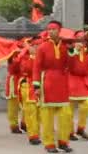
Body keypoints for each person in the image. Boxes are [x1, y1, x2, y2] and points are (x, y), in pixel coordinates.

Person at [33, 21, 73, 153]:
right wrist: (37, 86)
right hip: (47, 81)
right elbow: (37, 67)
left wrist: (72, 50)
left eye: (54, 29)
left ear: (59, 30)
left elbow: (71, 65)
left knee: (65, 115)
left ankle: (63, 141)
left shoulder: (65, 47)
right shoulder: (42, 47)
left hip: (62, 82)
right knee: (47, 116)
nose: (51, 32)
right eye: (49, 29)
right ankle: (49, 143)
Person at [15, 38, 42, 145]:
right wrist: (32, 56)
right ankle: (33, 135)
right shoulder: (25, 57)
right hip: (28, 86)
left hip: (41, 87)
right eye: (37, 46)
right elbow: (28, 70)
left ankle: (36, 132)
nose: (39, 48)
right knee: (31, 112)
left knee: (39, 113)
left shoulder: (44, 57)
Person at [66, 31, 88, 142]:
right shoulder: (70, 51)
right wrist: (75, 50)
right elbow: (69, 65)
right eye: (79, 39)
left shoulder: (86, 52)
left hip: (83, 81)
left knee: (86, 105)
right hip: (71, 80)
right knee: (69, 109)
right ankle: (69, 131)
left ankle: (81, 128)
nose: (82, 42)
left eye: (83, 40)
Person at [5, 40, 24, 134]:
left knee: (27, 105)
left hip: (24, 81)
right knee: (13, 105)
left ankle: (25, 123)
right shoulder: (13, 56)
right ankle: (14, 125)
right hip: (14, 82)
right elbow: (14, 68)